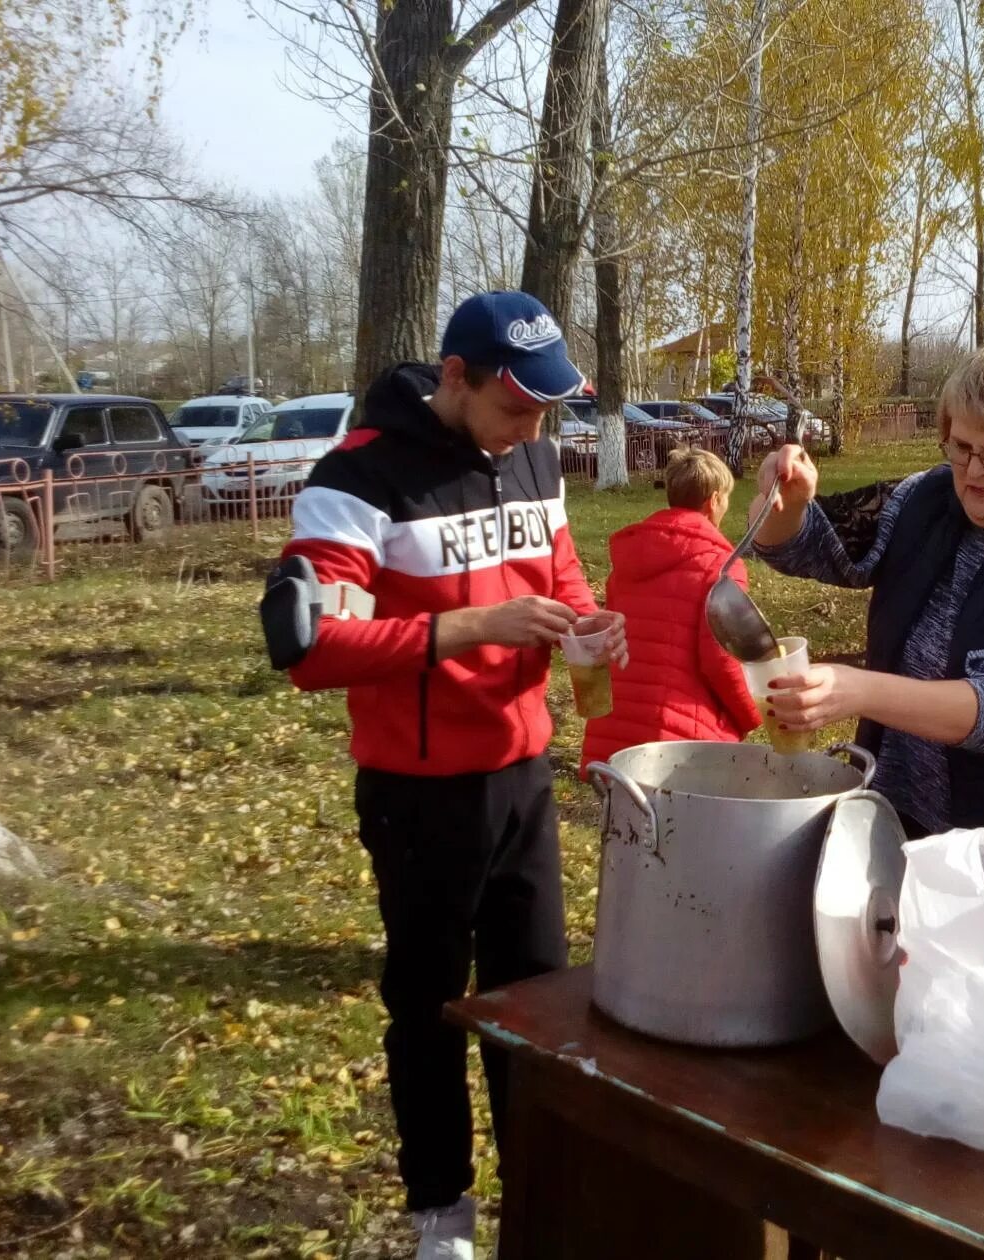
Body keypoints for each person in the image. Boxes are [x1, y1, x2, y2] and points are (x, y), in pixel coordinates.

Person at [263, 290, 626, 1260]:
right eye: (515, 405)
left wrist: (590, 621)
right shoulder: (360, 476)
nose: (531, 428)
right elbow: (310, 650)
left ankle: (540, 1197)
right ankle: (443, 1217)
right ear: (454, 379)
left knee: (538, 1009)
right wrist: (470, 626)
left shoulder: (535, 453)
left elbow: (560, 576)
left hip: (523, 773)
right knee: (429, 1005)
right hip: (419, 792)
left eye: (546, 409)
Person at [750, 327, 984, 836]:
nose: (973, 470)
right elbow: (812, 547)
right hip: (897, 806)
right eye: (961, 446)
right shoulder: (925, 498)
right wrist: (788, 504)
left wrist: (859, 690)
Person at [580, 447, 761, 770]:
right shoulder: (722, 567)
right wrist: (752, 712)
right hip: (679, 739)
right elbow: (721, 660)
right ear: (714, 499)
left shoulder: (630, 558)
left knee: (627, 818)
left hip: (620, 726)